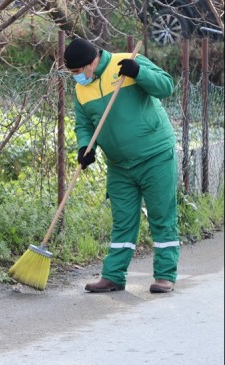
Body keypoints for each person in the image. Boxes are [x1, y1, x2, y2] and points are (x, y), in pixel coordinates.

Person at [63, 38, 180, 294]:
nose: (75, 77)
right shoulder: (81, 89)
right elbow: (83, 123)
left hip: (155, 155)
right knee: (123, 221)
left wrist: (139, 73)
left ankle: (165, 275)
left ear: (91, 62)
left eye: (77, 71)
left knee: (162, 216)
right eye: (71, 73)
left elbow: (166, 86)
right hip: (119, 164)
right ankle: (113, 276)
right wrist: (85, 147)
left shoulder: (127, 61)